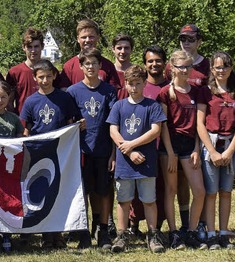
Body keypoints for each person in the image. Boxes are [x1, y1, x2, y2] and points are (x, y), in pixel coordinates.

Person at [107, 65, 167, 253]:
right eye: (130, 84)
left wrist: (131, 145)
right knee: (123, 201)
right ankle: (121, 236)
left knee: (149, 200)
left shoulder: (152, 106)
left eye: (138, 83)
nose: (134, 87)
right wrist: (128, 150)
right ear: (125, 84)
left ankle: (153, 235)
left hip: (146, 161)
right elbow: (113, 130)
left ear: (144, 84)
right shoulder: (119, 105)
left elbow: (156, 130)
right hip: (125, 163)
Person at [157, 50, 210, 250]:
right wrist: (170, 153)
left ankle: (190, 231)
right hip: (169, 145)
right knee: (171, 191)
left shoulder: (196, 91)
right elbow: (162, 125)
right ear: (172, 68)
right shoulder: (165, 93)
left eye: (188, 66)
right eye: (181, 67)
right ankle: (173, 234)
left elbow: (199, 124)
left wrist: (197, 148)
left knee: (199, 191)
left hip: (190, 144)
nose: (186, 70)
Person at [20, 60, 76, 249]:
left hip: (60, 151)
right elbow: (25, 129)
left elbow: (70, 123)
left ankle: (57, 233)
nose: (45, 80)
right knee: (40, 191)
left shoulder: (64, 98)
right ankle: (44, 232)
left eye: (48, 76)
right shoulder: (31, 101)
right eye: (41, 77)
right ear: (35, 78)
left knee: (57, 191)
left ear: (54, 75)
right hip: (37, 154)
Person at [66, 48, 117, 250]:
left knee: (103, 192)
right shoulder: (73, 91)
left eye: (94, 63)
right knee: (83, 193)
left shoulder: (109, 91)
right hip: (82, 151)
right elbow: (67, 122)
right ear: (81, 67)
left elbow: (115, 123)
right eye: (87, 63)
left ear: (100, 66)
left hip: (103, 149)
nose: (91, 67)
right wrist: (74, 124)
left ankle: (103, 231)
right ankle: (84, 233)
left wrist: (114, 153)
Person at [196, 51, 235, 250]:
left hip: (229, 145)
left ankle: (223, 232)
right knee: (211, 192)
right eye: (217, 66)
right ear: (212, 69)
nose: (221, 70)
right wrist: (213, 151)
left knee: (226, 191)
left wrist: (230, 150)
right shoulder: (205, 92)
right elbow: (200, 123)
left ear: (231, 68)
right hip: (211, 145)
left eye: (225, 66)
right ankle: (210, 233)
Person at [128, 46, 169, 237]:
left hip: (162, 147)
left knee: (159, 189)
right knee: (135, 190)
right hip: (136, 147)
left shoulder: (170, 87)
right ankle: (133, 225)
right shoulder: (138, 86)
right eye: (150, 61)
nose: (154, 64)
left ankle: (157, 228)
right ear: (145, 64)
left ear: (164, 63)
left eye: (158, 60)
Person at [0, 80, 24, 252]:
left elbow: (20, 140)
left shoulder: (14, 119)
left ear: (9, 98)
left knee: (8, 200)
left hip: (9, 167)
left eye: (3, 97)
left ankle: (7, 234)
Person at [58, 18, 121, 89]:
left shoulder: (108, 65)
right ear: (78, 39)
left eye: (91, 37)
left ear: (98, 38)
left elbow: (113, 93)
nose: (87, 40)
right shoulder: (69, 66)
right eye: (84, 37)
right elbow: (64, 93)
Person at [6, 27, 44, 114]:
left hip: (45, 123)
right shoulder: (14, 73)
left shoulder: (50, 71)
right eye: (29, 47)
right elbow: (9, 102)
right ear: (24, 47)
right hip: (22, 123)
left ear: (42, 46)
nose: (33, 50)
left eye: (36, 46)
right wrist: (15, 121)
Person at [166, 24, 210, 88]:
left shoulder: (207, 65)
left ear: (199, 42)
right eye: (183, 39)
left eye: (191, 39)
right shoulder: (171, 65)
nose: (186, 42)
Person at [111, 33, 134, 100]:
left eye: (126, 48)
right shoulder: (108, 72)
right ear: (113, 49)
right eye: (119, 48)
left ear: (131, 49)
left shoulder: (138, 72)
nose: (123, 51)